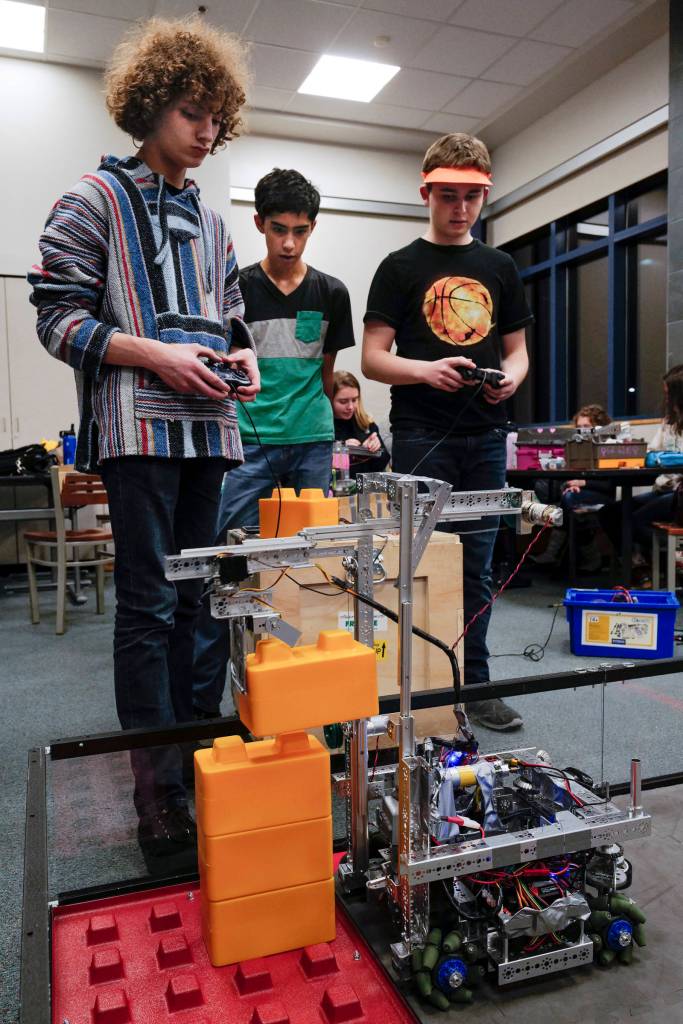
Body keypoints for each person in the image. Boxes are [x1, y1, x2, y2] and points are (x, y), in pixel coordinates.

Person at [28, 17, 259, 869]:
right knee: (151, 609)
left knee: (202, 607)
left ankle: (201, 767)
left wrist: (242, 356)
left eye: (216, 120)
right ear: (152, 103)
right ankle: (156, 801)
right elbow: (58, 320)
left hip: (210, 431)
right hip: (138, 433)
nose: (207, 132)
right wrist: (155, 351)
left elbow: (230, 308)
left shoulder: (214, 218)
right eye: (194, 112)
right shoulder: (90, 199)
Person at [362, 133, 532, 732]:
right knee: (418, 562)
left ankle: (476, 684)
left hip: (486, 435)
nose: (460, 207)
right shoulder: (400, 267)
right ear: (426, 193)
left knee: (477, 566)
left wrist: (508, 380)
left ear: (484, 196)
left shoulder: (500, 267)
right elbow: (373, 358)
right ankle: (422, 685)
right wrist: (426, 370)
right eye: (448, 195)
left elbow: (518, 354)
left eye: (472, 197)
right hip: (420, 433)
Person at [191, 168, 355, 718]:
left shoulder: (332, 292)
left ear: (313, 228)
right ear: (259, 223)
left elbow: (328, 376)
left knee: (319, 566)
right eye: (279, 228)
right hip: (249, 444)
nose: (289, 242)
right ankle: (202, 704)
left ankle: (313, 687)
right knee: (228, 564)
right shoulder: (233, 289)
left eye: (301, 230)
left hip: (311, 442)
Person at [600, 365, 683, 580]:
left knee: (633, 521)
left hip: (678, 492)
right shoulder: (668, 423)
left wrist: (663, 458)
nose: (665, 399)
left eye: (668, 393)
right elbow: (652, 453)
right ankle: (638, 564)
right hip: (663, 488)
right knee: (610, 513)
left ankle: (671, 564)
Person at [533, 403, 614, 570]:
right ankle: (589, 558)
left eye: (586, 427)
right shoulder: (575, 447)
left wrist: (583, 483)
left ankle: (555, 553)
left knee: (568, 504)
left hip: (601, 493)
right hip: (577, 493)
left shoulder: (608, 447)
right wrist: (571, 485)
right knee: (567, 501)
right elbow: (570, 476)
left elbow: (609, 484)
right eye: (579, 427)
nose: (582, 431)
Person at [332, 369, 390, 478]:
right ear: (330, 399)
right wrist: (341, 451)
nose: (350, 407)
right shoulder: (324, 430)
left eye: (354, 400)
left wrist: (375, 450)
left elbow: (381, 465)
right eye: (343, 402)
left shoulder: (366, 424)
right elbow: (319, 466)